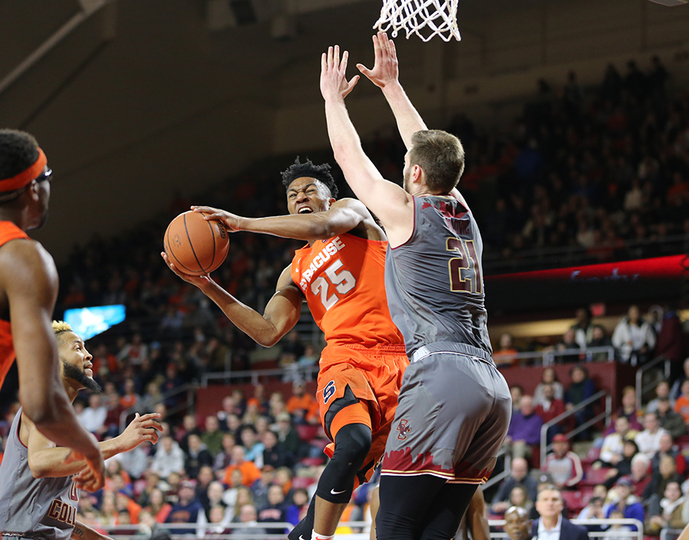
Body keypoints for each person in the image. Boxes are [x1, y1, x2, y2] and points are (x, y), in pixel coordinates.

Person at [319, 33, 511, 540]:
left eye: (407, 167)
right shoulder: (463, 212)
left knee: (395, 520)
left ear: (416, 174)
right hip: (492, 386)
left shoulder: (406, 214)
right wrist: (393, 88)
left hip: (441, 375)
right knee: (437, 530)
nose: (403, 171)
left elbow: (349, 157)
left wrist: (332, 102)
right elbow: (428, 148)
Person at [165, 160, 410, 540]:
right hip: (345, 361)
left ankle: (306, 532)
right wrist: (207, 286)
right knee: (354, 441)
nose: (301, 198)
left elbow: (322, 226)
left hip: (401, 360)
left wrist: (242, 222)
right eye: (293, 195)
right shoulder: (293, 271)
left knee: (393, 481)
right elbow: (267, 331)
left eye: (310, 190)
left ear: (329, 195)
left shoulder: (354, 213)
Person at [0, 129, 104, 490]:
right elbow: (39, 402)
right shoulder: (23, 259)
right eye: (48, 177)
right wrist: (90, 448)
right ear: (33, 188)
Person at [0, 321, 162, 540]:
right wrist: (119, 443)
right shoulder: (45, 401)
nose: (89, 355)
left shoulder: (65, 420)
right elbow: (39, 462)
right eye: (78, 348)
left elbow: (48, 518)